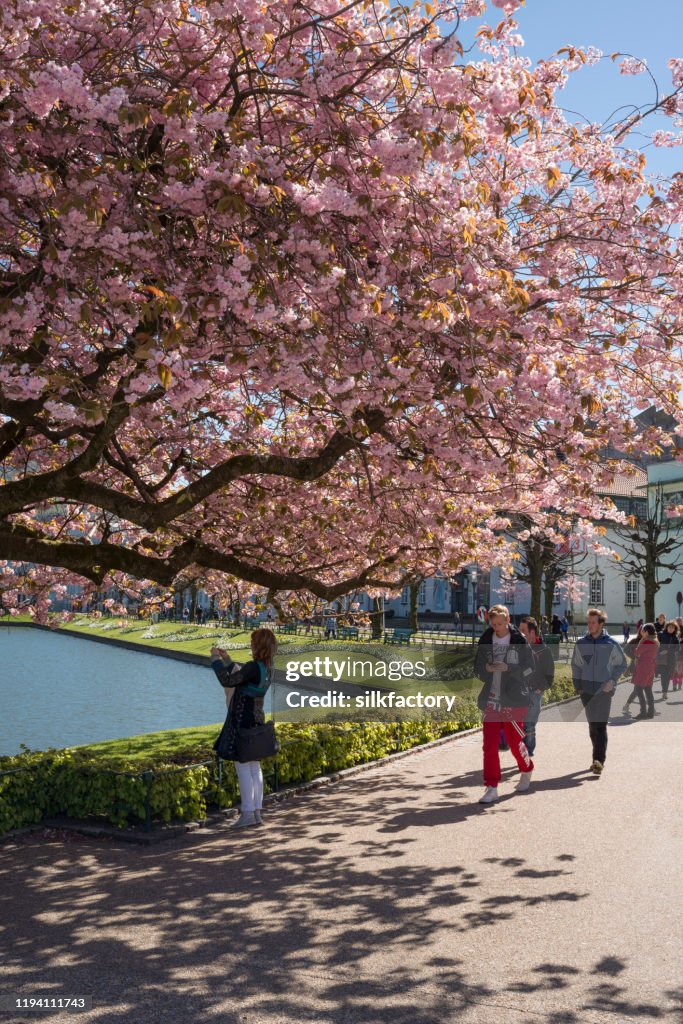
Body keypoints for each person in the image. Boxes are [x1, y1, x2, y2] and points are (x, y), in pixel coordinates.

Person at [210, 628, 277, 828]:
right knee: (254, 767)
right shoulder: (267, 668)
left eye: (253, 642)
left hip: (242, 721)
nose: (251, 645)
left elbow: (228, 681)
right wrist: (228, 660)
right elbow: (241, 678)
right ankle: (256, 811)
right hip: (257, 720)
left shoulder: (252, 667)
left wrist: (215, 660)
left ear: (258, 645)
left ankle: (247, 813)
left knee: (242, 766)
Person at [474, 604, 535, 804]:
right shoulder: (485, 640)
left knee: (514, 741)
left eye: (500, 624)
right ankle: (491, 787)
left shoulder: (519, 641)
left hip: (514, 698)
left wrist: (509, 668)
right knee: (489, 745)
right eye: (494, 624)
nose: (497, 628)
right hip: (492, 698)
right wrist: (487, 669)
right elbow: (477, 669)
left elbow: (530, 669)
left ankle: (526, 769)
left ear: (508, 620)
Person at [572, 608, 627, 775]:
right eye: (588, 622)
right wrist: (578, 686)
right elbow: (576, 665)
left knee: (601, 726)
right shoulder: (581, 644)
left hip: (604, 691)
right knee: (592, 726)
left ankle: (598, 761)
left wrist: (612, 681)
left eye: (593, 622)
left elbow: (622, 664)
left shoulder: (611, 644)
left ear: (601, 624)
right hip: (586, 692)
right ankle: (596, 758)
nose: (590, 625)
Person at [519, 616, 555, 758]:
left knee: (529, 726)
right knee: (519, 725)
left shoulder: (544, 651)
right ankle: (521, 753)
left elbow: (549, 674)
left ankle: (528, 753)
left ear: (532, 632)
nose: (520, 633)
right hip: (519, 693)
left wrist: (540, 688)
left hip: (534, 693)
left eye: (523, 631)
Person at [631, 622, 658, 719]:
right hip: (650, 666)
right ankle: (650, 712)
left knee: (638, 689)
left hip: (644, 667)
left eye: (642, 630)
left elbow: (637, 652)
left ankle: (643, 712)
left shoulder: (647, 642)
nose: (641, 632)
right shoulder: (654, 641)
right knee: (648, 690)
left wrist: (639, 644)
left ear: (646, 632)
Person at [657, 620, 679, 699]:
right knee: (664, 675)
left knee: (668, 676)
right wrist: (659, 652)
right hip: (661, 659)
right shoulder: (661, 634)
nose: (671, 629)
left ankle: (665, 691)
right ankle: (664, 692)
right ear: (667, 627)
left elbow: (677, 648)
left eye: (673, 628)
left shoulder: (675, 638)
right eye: (670, 627)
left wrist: (667, 651)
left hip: (671, 660)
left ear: (675, 629)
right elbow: (656, 644)